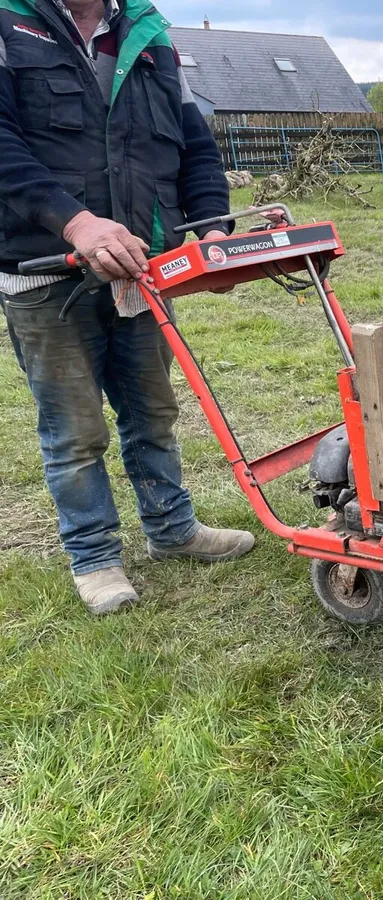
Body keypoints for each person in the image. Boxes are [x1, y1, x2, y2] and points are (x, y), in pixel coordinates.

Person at [0, 0, 255, 615]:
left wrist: (213, 231)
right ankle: (95, 557)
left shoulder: (148, 32)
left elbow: (193, 141)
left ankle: (172, 529)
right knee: (74, 428)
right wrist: (76, 223)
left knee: (153, 409)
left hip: (143, 267)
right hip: (45, 270)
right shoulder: (8, 24)